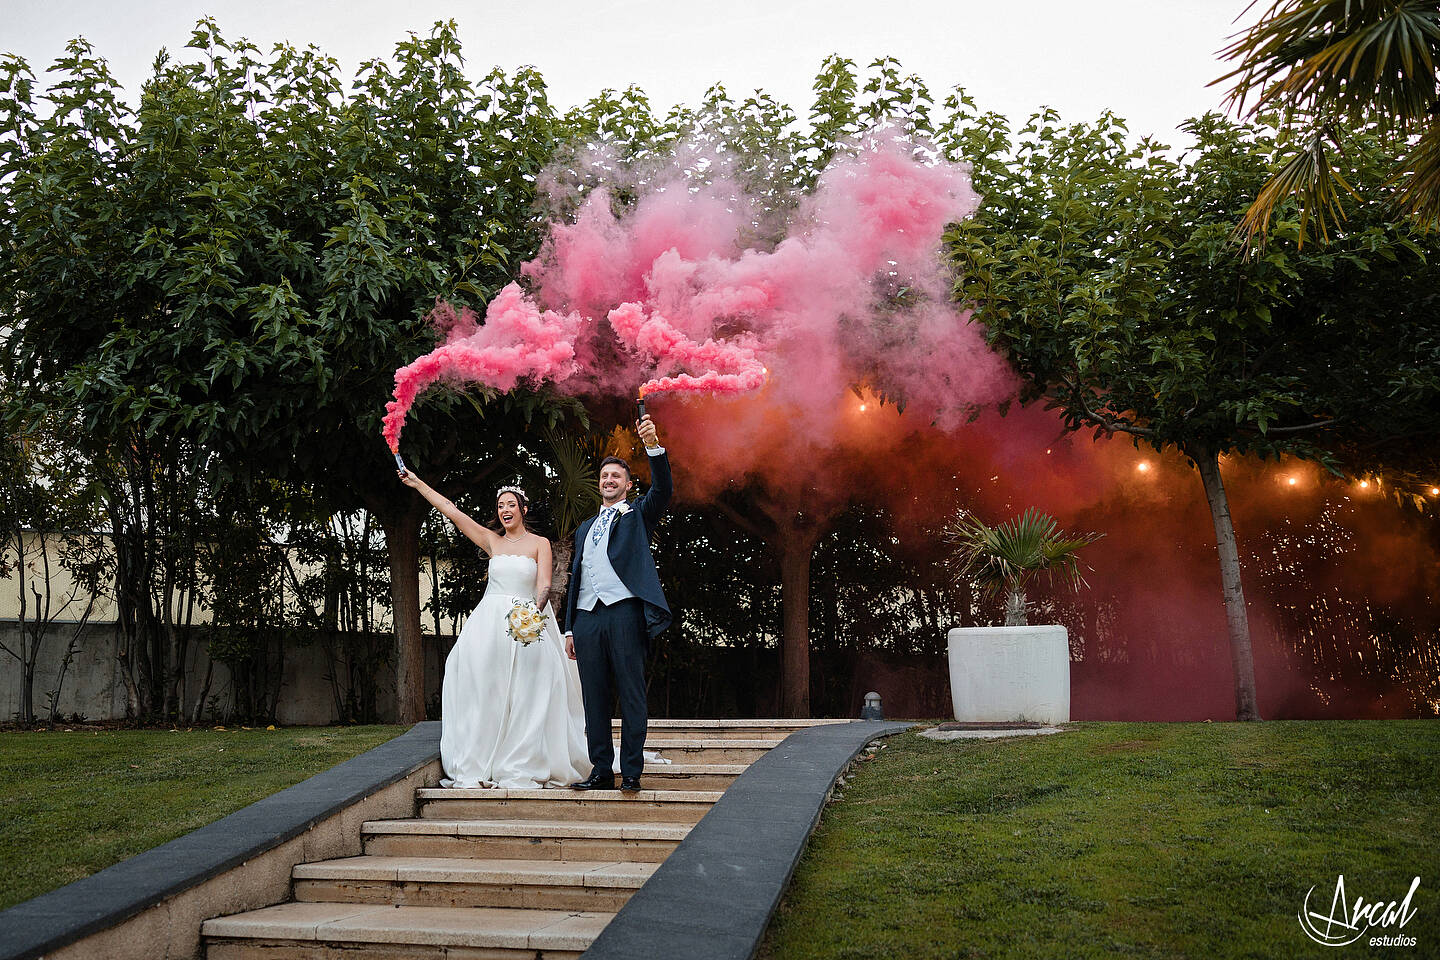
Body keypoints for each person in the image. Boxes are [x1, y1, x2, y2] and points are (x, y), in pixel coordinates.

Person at [396, 471, 589, 789]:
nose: (505, 510)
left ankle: (519, 757)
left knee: (528, 692)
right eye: (501, 505)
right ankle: (483, 754)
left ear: (523, 509)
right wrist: (418, 483)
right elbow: (453, 512)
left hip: (524, 623)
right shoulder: (492, 541)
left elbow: (543, 585)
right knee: (486, 688)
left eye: (511, 504)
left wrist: (532, 615)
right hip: (487, 626)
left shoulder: (540, 544)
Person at [564, 413, 673, 792]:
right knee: (594, 698)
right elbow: (576, 578)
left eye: (616, 477)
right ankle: (600, 770)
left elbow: (663, 489)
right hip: (587, 619)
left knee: (630, 694)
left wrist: (653, 445)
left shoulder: (637, 514)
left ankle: (631, 772)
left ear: (628, 484)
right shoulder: (584, 528)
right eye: (604, 477)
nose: (609, 481)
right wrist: (569, 627)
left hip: (625, 613)